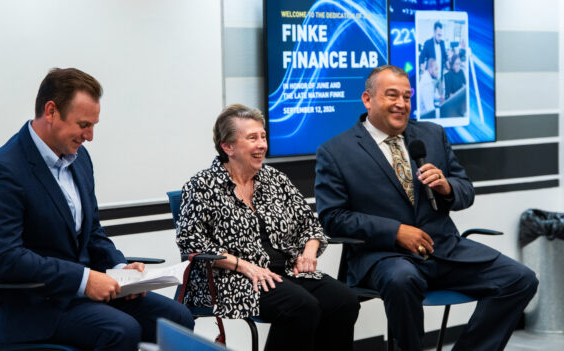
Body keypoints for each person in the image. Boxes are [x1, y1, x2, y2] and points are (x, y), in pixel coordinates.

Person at [314, 65, 538, 351]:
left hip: (445, 249)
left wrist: (447, 187)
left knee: (520, 279)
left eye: (407, 97)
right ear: (368, 100)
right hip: (386, 256)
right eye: (392, 95)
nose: (401, 104)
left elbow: (465, 190)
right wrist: (396, 232)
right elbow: (333, 219)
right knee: (401, 279)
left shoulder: (432, 135)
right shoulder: (335, 151)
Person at [0, 67, 194, 350]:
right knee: (120, 330)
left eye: (93, 125)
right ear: (51, 111)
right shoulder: (3, 171)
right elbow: (5, 260)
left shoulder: (79, 159)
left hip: (79, 295)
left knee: (178, 317)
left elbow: (91, 232)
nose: (90, 136)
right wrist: (84, 279)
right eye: (83, 124)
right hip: (34, 306)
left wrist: (119, 267)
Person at [176, 104, 359, 351]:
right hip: (230, 279)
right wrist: (245, 266)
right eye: (252, 138)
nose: (262, 144)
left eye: (263, 137)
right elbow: (191, 244)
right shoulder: (202, 186)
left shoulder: (275, 179)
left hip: (285, 272)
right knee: (301, 306)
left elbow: (310, 224)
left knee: (344, 300)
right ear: (227, 146)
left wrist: (308, 253)